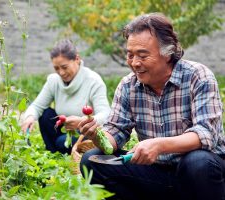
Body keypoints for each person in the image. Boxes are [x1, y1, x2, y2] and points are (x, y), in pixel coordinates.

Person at [78, 13, 225, 200]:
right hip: (156, 174)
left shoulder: (198, 76)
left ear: (167, 53)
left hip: (201, 175)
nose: (135, 63)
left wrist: (159, 145)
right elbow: (115, 133)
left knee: (197, 162)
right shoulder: (128, 85)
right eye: (130, 55)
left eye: (142, 55)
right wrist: (96, 134)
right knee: (91, 160)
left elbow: (206, 134)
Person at [21, 39, 110, 154]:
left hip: (84, 134)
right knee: (45, 113)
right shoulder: (54, 80)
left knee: (61, 142)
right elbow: (37, 106)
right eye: (56, 68)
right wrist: (30, 117)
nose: (61, 73)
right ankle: (53, 153)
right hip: (63, 130)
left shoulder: (93, 81)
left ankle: (64, 151)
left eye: (64, 67)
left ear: (77, 59)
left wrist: (82, 122)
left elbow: (105, 114)